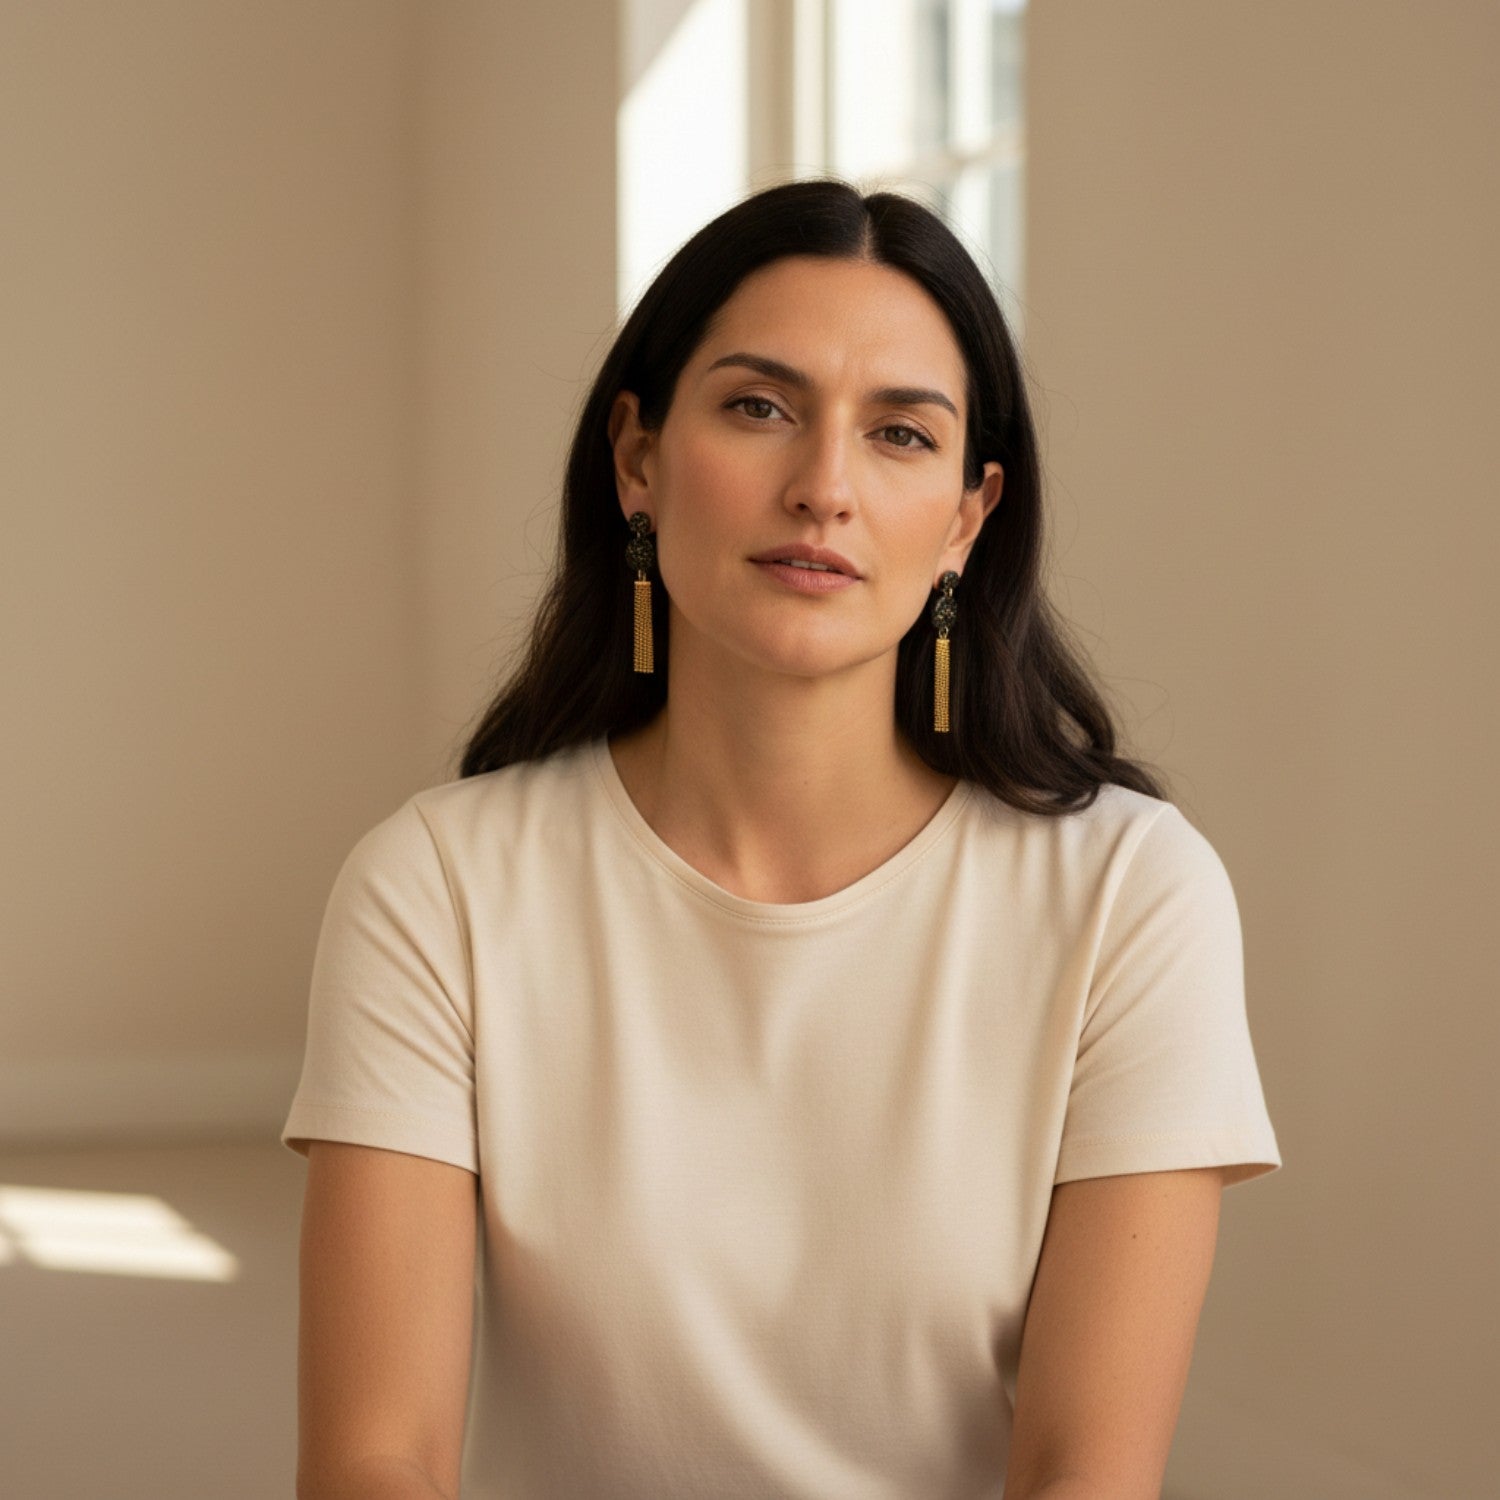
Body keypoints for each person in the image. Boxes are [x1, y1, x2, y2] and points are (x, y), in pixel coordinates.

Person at [282, 177, 1281, 1500]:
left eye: (901, 435)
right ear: (637, 458)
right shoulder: (439, 885)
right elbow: (375, 1457)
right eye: (760, 408)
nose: (824, 489)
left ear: (970, 516)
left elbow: (1086, 1472)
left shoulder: (1131, 896)